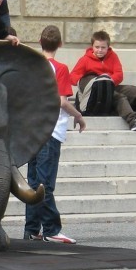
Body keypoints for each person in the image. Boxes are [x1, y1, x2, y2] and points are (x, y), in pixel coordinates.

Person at [24, 25, 85, 244]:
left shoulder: (31, 65)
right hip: (50, 129)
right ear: (60, 44)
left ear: (40, 42)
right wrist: (78, 115)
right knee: (45, 183)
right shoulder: (59, 68)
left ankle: (32, 228)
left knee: (33, 183)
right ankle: (51, 228)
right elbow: (61, 100)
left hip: (31, 129)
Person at [69, 31, 136, 131]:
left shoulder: (113, 56)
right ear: (92, 47)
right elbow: (73, 77)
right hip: (95, 93)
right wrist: (91, 82)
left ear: (108, 47)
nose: (100, 50)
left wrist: (108, 81)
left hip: (112, 85)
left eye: (103, 47)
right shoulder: (85, 60)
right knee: (119, 97)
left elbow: (119, 74)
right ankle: (133, 121)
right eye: (97, 47)